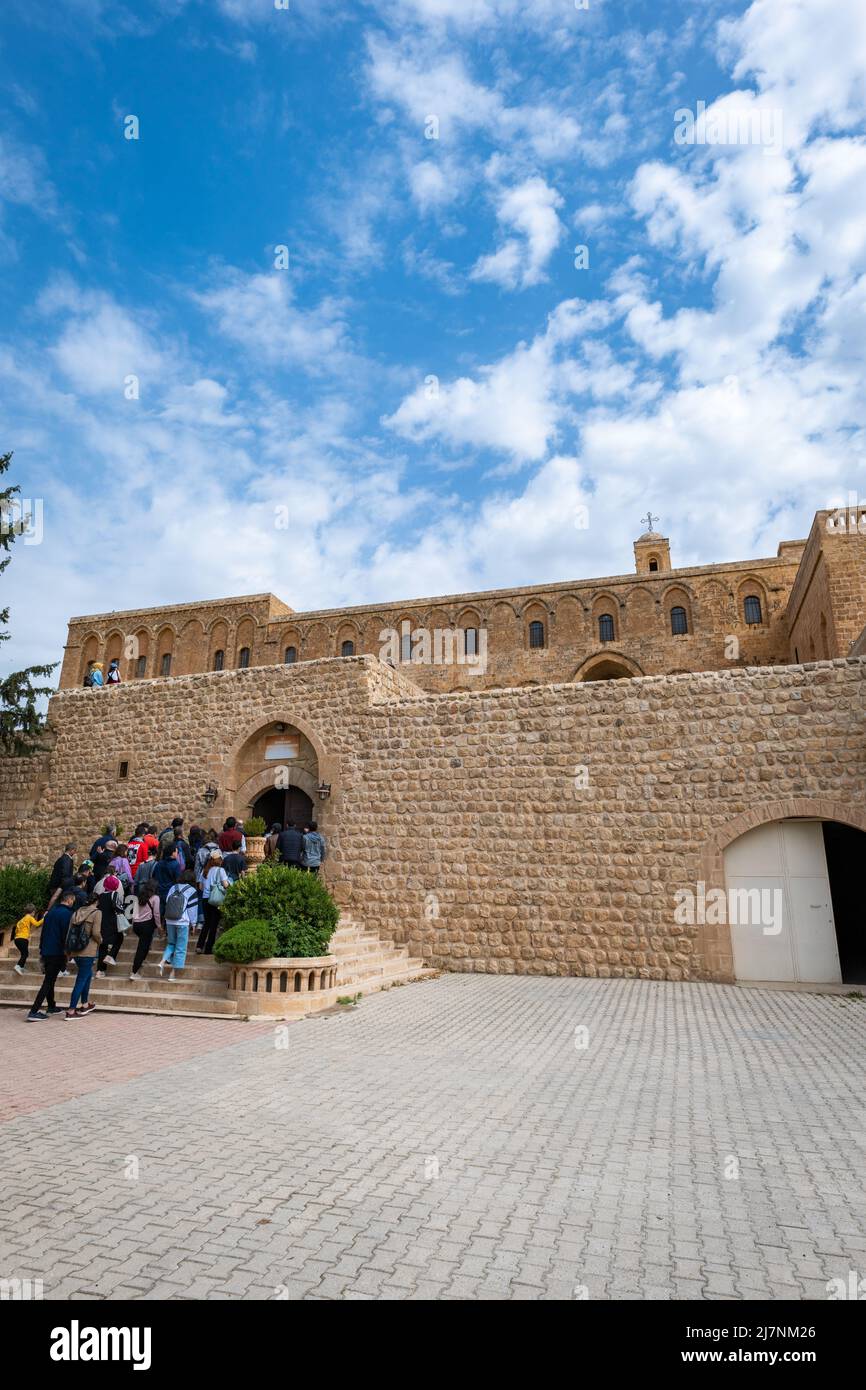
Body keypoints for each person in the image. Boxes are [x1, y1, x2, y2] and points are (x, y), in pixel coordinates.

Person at [26, 892, 74, 1020]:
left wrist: (41, 948)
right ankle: (34, 1011)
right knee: (48, 982)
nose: (72, 903)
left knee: (50, 979)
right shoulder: (67, 914)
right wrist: (68, 952)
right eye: (72, 900)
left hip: (47, 950)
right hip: (57, 952)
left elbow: (43, 932)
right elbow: (66, 934)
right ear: (69, 900)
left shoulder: (50, 912)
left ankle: (51, 1005)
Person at [64, 894, 101, 1018]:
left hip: (75, 950)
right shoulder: (97, 913)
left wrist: (68, 950)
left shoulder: (76, 912)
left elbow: (69, 931)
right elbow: (96, 933)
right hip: (88, 950)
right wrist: (101, 940)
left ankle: (85, 1004)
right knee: (81, 979)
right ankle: (71, 1010)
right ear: (96, 901)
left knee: (87, 975)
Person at [159, 870, 198, 981]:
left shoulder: (173, 887)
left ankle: (162, 961)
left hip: (170, 921)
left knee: (171, 943)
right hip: (182, 922)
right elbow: (192, 909)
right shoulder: (192, 890)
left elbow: (167, 901)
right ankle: (173, 974)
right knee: (181, 947)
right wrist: (194, 924)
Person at [198, 851, 229, 955]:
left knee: (206, 923)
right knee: (214, 925)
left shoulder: (204, 871)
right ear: (219, 859)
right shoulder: (221, 870)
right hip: (215, 900)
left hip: (205, 899)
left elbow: (200, 887)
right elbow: (225, 885)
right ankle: (208, 949)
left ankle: (199, 945)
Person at [94, 873, 125, 976]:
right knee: (119, 938)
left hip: (102, 922)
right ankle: (111, 956)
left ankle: (100, 970)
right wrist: (122, 909)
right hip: (112, 923)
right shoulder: (114, 894)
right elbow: (117, 907)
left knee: (103, 945)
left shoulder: (101, 896)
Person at [129, 881, 161, 980]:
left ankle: (141, 960)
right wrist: (159, 926)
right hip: (147, 925)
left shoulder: (139, 897)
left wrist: (134, 923)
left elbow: (134, 913)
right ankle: (134, 972)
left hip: (137, 925)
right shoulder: (155, 898)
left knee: (145, 944)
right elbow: (156, 913)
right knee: (142, 948)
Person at [12, 903, 42, 974]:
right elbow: (36, 924)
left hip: (17, 939)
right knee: (25, 954)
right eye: (34, 913)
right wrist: (44, 918)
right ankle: (18, 966)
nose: (34, 914)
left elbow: (16, 930)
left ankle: (21, 967)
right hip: (23, 939)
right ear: (33, 912)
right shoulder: (29, 917)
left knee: (24, 953)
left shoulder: (21, 920)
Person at [153, 845, 181, 911]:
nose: (177, 854)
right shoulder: (175, 864)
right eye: (177, 852)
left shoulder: (159, 863)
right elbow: (178, 879)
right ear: (172, 853)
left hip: (159, 890)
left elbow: (154, 876)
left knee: (159, 911)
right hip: (170, 891)